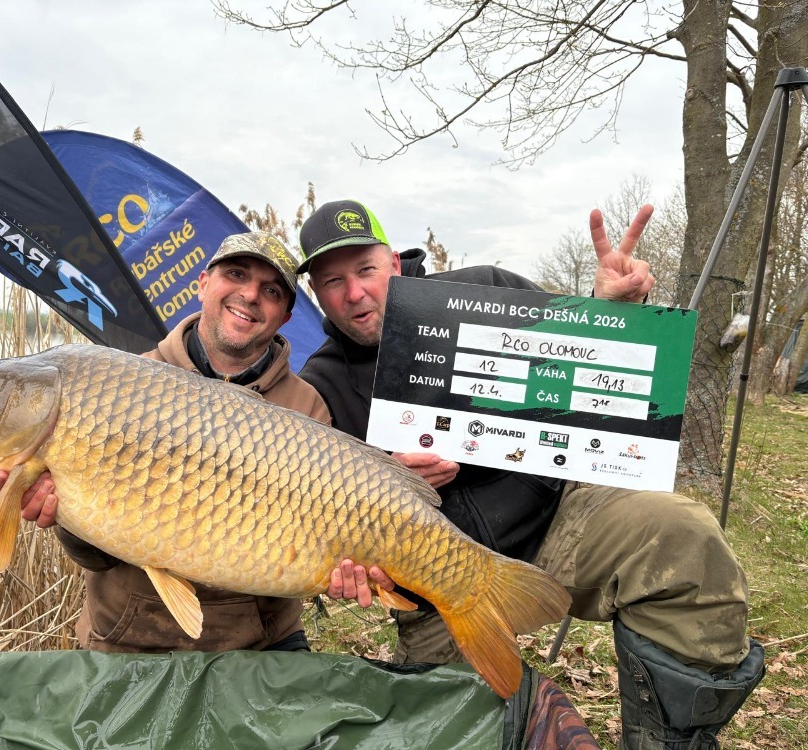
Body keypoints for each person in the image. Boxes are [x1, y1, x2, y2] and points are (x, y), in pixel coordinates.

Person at [297, 199, 766, 749]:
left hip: (553, 522)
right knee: (441, 730)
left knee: (682, 536)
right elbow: (327, 512)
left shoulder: (485, 290)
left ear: (394, 263)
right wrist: (389, 482)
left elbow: (580, 365)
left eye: (366, 270)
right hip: (436, 583)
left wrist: (613, 313)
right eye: (333, 281)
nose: (355, 293)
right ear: (317, 292)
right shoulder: (320, 384)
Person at [0, 231, 384, 653]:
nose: (250, 295)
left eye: (271, 291)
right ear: (203, 283)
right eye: (236, 274)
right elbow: (95, 557)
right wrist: (61, 516)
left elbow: (310, 560)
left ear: (285, 317)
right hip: (128, 637)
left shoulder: (305, 408)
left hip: (262, 644)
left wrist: (341, 574)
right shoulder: (119, 387)